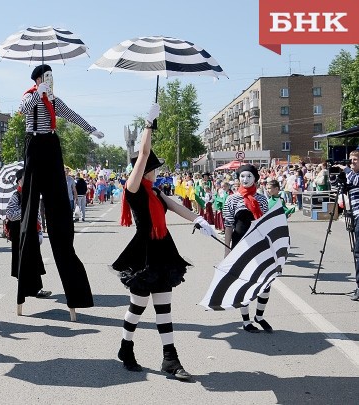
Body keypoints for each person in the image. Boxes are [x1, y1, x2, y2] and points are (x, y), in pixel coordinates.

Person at [112, 103, 216, 381]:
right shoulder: (133, 189)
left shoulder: (156, 192)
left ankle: (170, 359)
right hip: (143, 252)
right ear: (144, 170)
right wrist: (148, 124)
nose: (156, 171)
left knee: (164, 308)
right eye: (153, 168)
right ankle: (126, 346)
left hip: (163, 249)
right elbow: (144, 152)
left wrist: (199, 221)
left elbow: (177, 207)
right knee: (137, 307)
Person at [17, 64, 102, 309]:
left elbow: (71, 114)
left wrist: (91, 129)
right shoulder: (29, 96)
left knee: (58, 208)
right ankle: (28, 281)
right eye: (46, 77)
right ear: (37, 79)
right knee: (30, 205)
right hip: (34, 146)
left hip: (51, 147)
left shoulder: (54, 100)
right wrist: (37, 93)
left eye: (52, 77)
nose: (50, 81)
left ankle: (74, 288)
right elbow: (22, 111)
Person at [223, 164, 271, 332]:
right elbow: (228, 226)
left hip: (259, 245)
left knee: (266, 282)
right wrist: (227, 250)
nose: (245, 179)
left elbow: (266, 223)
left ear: (255, 179)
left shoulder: (262, 199)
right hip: (239, 245)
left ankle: (260, 316)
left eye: (249, 176)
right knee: (244, 283)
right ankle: (246, 321)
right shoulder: (231, 199)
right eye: (242, 176)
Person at [5, 168, 50, 298]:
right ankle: (23, 289)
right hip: (20, 236)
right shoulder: (16, 196)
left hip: (32, 234)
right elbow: (10, 214)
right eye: (25, 178)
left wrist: (40, 230)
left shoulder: (31, 194)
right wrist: (25, 211)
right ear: (19, 181)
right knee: (22, 262)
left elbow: (37, 215)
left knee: (34, 262)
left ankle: (37, 289)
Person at [335, 151, 359, 301]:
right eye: (351, 160)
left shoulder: (354, 175)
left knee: (358, 253)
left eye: (355, 159)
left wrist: (346, 169)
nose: (352, 162)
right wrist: (336, 176)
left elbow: (356, 181)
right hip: (355, 216)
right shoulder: (350, 175)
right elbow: (340, 189)